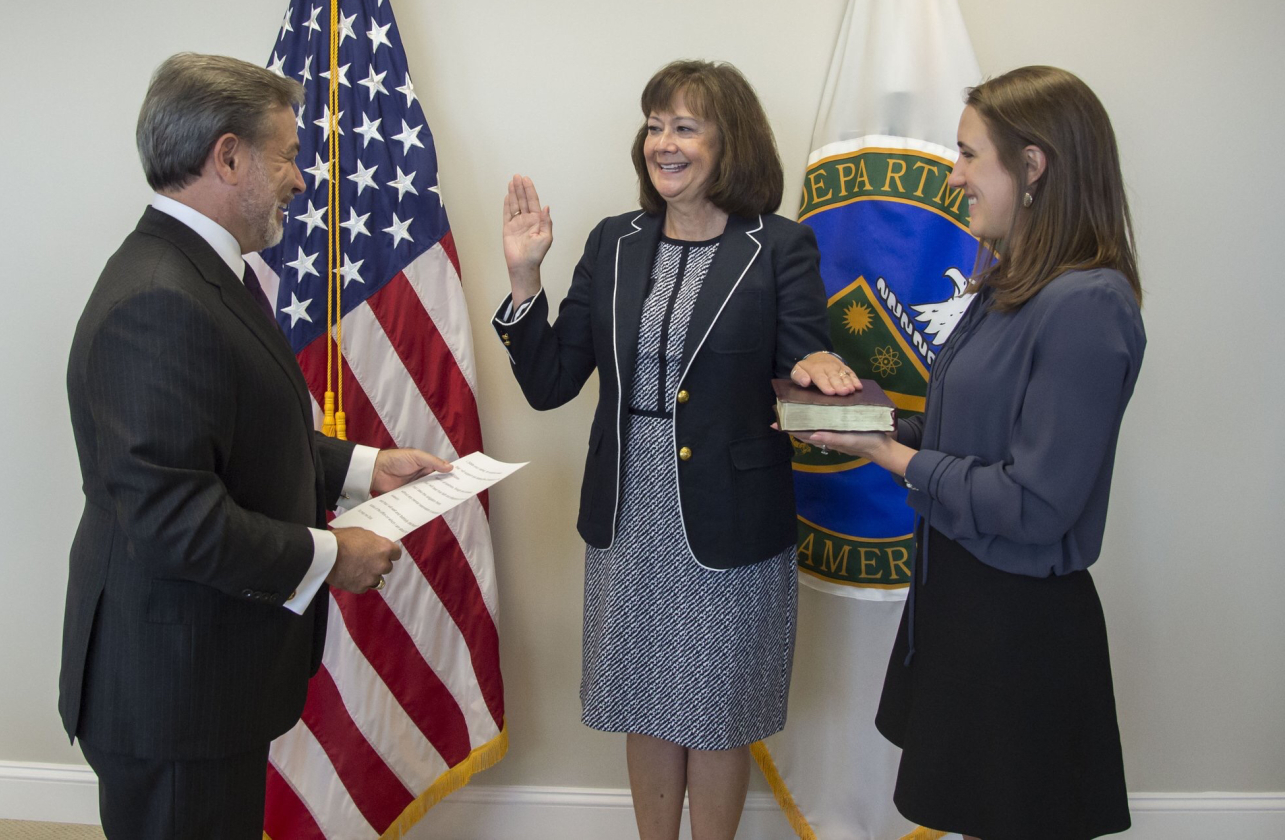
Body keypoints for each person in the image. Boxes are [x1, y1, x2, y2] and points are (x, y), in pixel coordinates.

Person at [59, 52, 451, 839]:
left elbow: (239, 433)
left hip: (204, 674)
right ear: (228, 155)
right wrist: (329, 557)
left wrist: (367, 469)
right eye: (288, 154)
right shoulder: (158, 301)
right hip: (172, 690)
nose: (299, 179)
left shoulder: (199, 271)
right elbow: (176, 518)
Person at [493, 60, 857, 840]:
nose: (663, 142)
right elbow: (552, 382)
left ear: (733, 143)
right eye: (655, 124)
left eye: (684, 126)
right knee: (646, 703)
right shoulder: (612, 242)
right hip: (630, 510)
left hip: (732, 513)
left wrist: (818, 367)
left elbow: (803, 357)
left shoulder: (780, 248)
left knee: (717, 712)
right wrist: (526, 284)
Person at [801, 66, 1144, 840]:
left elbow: (1036, 501)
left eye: (966, 155)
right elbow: (966, 436)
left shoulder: (1088, 305)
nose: (953, 175)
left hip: (1021, 635)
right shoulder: (1008, 285)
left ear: (1032, 168)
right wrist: (863, 426)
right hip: (962, 613)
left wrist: (894, 459)